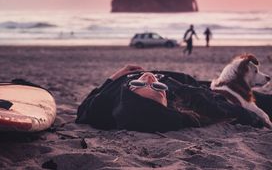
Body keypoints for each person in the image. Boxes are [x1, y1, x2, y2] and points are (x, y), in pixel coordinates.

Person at [76, 65, 272, 133]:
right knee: (257, 100)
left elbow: (82, 109)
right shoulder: (181, 94)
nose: (150, 79)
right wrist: (254, 118)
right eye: (158, 88)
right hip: (198, 87)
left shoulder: (100, 109)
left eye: (139, 85)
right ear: (165, 101)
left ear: (129, 94)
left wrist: (115, 76)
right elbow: (216, 107)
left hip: (194, 86)